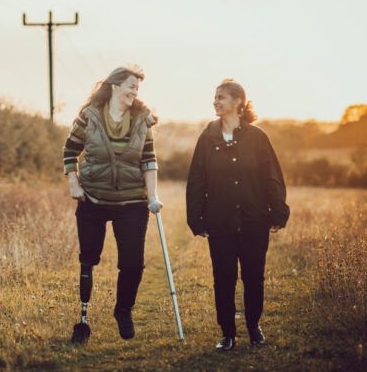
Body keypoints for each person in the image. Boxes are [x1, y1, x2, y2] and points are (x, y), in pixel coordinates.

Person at [186, 79, 290, 351]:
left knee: (254, 277)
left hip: (255, 220)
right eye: (215, 97)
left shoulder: (257, 137)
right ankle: (227, 333)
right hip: (219, 222)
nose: (215, 101)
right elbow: (197, 180)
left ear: (238, 103)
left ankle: (254, 326)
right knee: (223, 278)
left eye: (221, 97)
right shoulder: (207, 138)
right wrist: (195, 218)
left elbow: (272, 177)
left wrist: (278, 212)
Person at [63, 65, 163, 343]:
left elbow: (149, 160)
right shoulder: (90, 115)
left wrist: (152, 196)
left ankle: (123, 310)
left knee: (133, 263)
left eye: (137, 88)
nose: (134, 92)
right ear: (115, 86)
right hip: (92, 199)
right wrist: (73, 182)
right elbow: (70, 149)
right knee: (89, 258)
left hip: (132, 201)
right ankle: (82, 319)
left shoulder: (142, 119)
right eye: (131, 86)